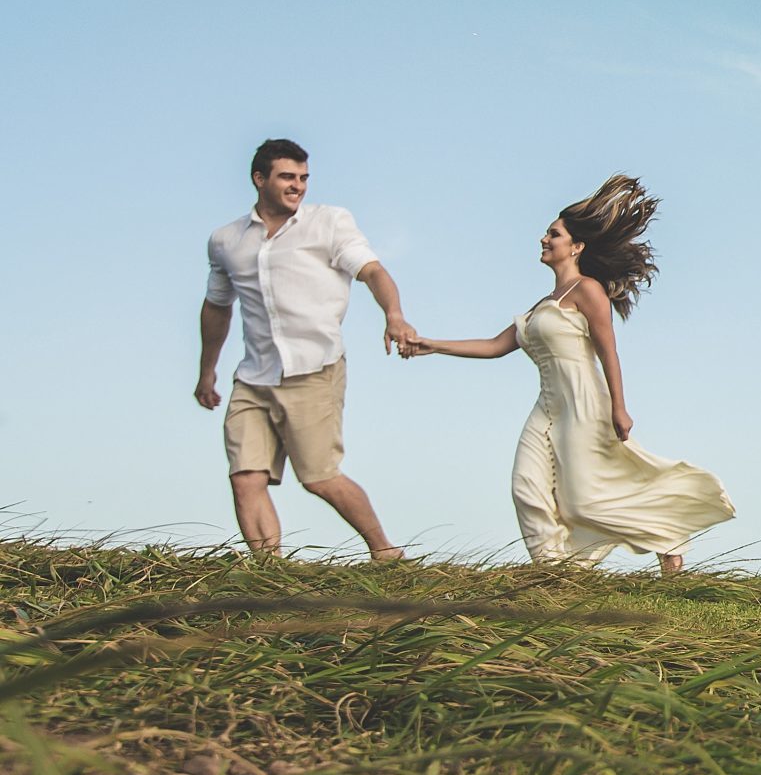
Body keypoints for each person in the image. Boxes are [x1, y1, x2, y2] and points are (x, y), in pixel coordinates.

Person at [402, 175, 733, 571]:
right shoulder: (544, 303)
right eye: (547, 233)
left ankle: (667, 538)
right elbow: (495, 346)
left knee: (582, 501)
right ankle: (553, 570)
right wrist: (431, 345)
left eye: (553, 234)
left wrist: (620, 407)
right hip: (547, 408)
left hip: (584, 405)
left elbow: (609, 350)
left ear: (576, 247)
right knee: (526, 486)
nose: (544, 239)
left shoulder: (587, 290)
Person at [198, 138, 414, 560]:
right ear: (259, 179)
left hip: (315, 369)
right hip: (254, 377)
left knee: (319, 477)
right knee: (245, 477)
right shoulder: (226, 241)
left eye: (303, 178)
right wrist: (207, 372)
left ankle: (385, 552)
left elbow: (372, 271)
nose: (297, 186)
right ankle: (268, 572)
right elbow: (217, 308)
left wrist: (395, 315)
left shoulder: (329, 222)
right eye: (287, 177)